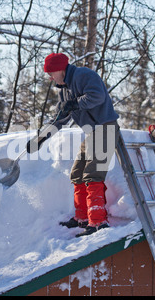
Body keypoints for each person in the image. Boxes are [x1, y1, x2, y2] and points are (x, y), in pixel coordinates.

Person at [28, 53, 120, 237]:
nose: (49, 76)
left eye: (51, 72)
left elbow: (97, 96)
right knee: (77, 173)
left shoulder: (83, 76)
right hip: (92, 133)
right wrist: (42, 137)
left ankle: (98, 222)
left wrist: (74, 104)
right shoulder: (64, 89)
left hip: (105, 129)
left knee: (92, 173)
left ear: (61, 69)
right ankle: (82, 217)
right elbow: (60, 118)